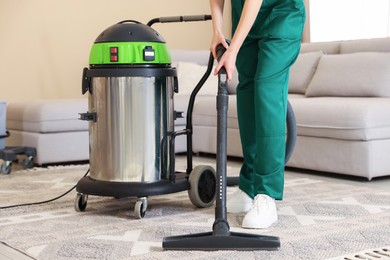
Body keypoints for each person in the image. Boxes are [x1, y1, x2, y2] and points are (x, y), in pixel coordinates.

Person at [209, 0, 306, 229]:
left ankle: (267, 194)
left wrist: (232, 49)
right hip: (247, 19)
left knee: (266, 89)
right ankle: (249, 186)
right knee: (247, 92)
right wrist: (217, 31)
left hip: (282, 14)